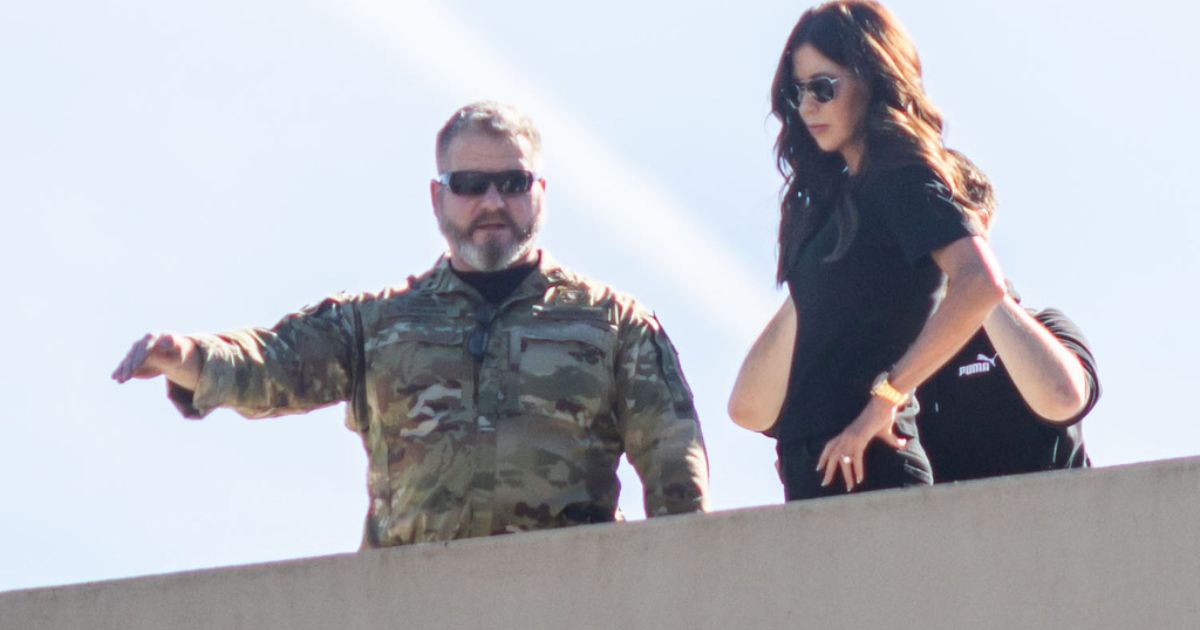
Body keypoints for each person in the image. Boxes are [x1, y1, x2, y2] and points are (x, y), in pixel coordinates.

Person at [112, 101, 709, 547]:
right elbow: (275, 363)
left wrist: (677, 586)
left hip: (567, 603)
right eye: (470, 185)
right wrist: (187, 355)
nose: (492, 202)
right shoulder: (376, 323)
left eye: (513, 182)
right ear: (437, 197)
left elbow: (677, 479)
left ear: (541, 193)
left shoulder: (613, 323)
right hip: (415, 603)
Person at [727, 0, 1006, 500]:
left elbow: (981, 283)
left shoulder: (900, 174)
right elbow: (748, 406)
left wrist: (885, 400)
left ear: (872, 78)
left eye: (823, 87)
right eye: (797, 91)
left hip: (871, 466)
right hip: (812, 471)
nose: (807, 106)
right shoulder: (832, 203)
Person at [916, 152, 1100, 482]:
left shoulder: (1047, 326)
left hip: (1050, 525)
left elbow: (1062, 398)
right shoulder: (897, 351)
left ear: (980, 225)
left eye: (940, 214)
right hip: (942, 530)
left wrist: (975, 284)